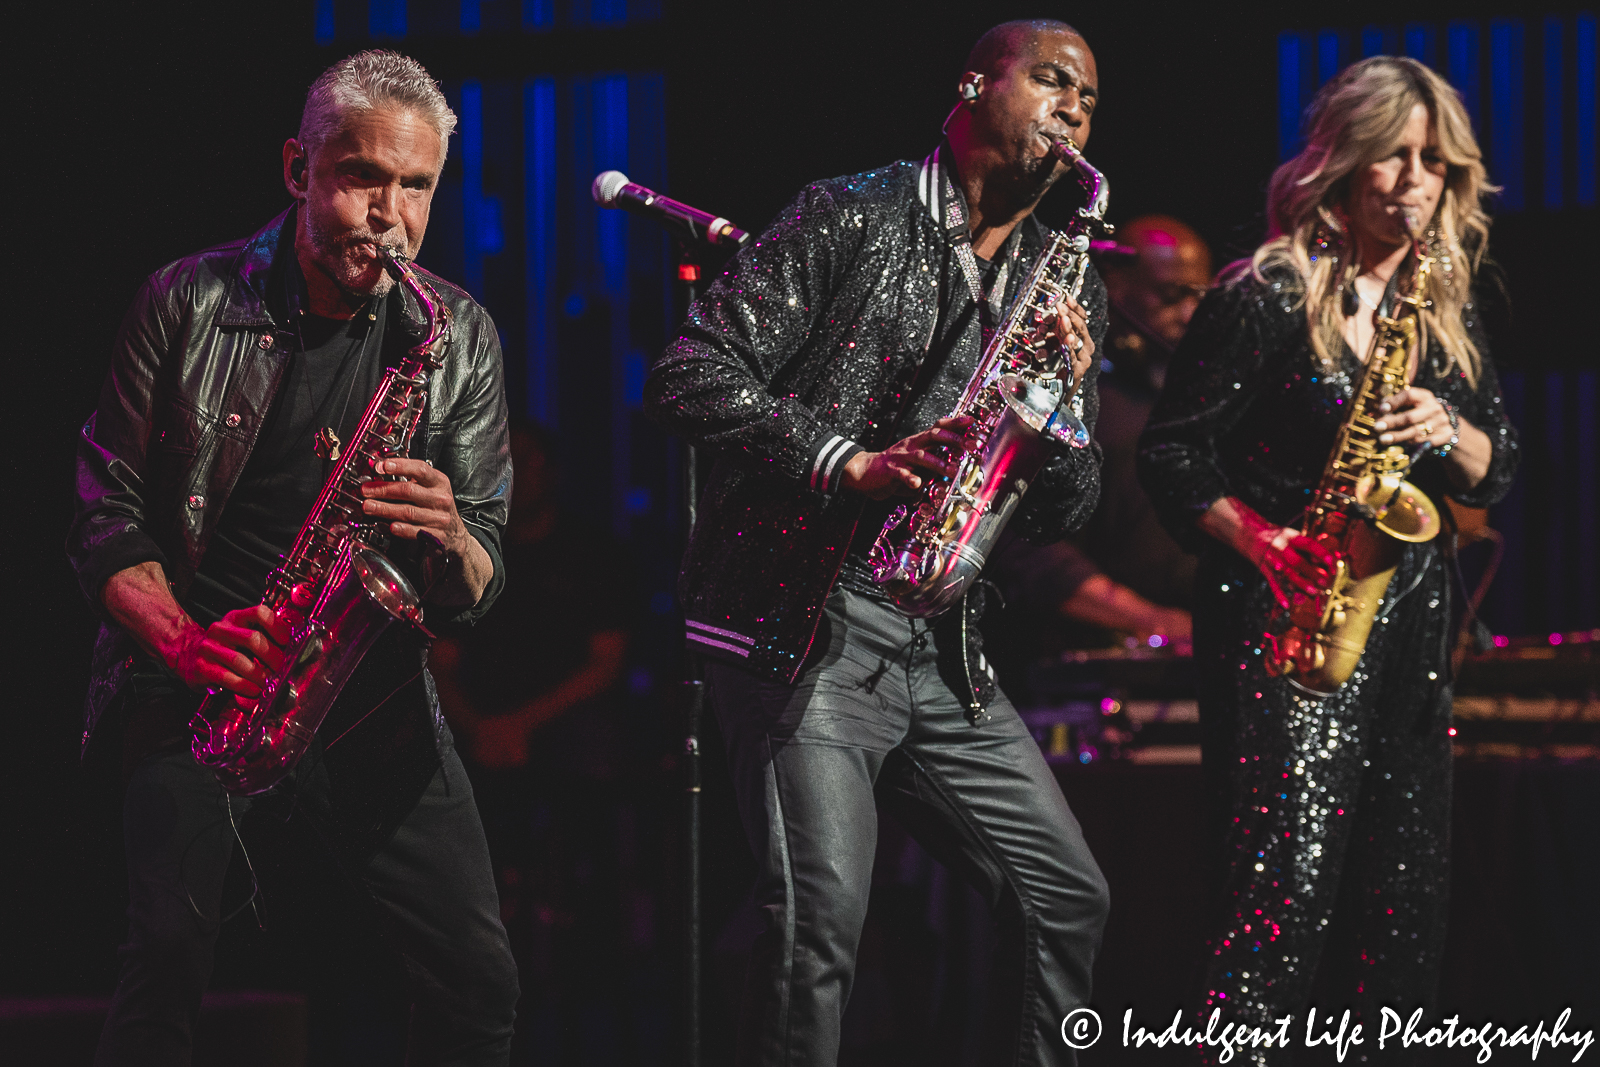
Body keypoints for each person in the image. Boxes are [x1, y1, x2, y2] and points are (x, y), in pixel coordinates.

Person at [646, 19, 1111, 1066]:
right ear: (973, 84)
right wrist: (845, 459)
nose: (1073, 108)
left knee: (1066, 896)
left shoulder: (1064, 268)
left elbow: (1069, 505)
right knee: (815, 929)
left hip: (939, 640)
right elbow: (688, 372)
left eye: (1088, 97)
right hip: (800, 617)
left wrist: (1071, 399)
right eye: (1051, 81)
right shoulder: (846, 212)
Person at [67, 51, 519, 1065]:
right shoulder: (184, 301)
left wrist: (450, 537)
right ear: (296, 167)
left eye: (416, 187)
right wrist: (186, 643)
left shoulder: (459, 335)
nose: (387, 213)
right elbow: (104, 515)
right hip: (206, 678)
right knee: (166, 964)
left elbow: (482, 579)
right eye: (363, 176)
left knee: (479, 980)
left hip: (367, 693)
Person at [1136, 56, 1518, 1057]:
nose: (1411, 183)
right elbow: (1170, 452)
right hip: (1287, 629)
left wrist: (1448, 426)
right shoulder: (1266, 291)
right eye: (1390, 157)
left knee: (1400, 911)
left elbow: (1497, 464)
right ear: (1341, 164)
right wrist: (1265, 540)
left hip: (1408, 636)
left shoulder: (1443, 305)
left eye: (1432, 163)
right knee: (1275, 907)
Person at [988, 216, 1210, 670]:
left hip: (1189, 658)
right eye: (1171, 295)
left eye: (1198, 297)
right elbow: (1024, 548)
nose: (1189, 314)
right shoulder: (1081, 401)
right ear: (1115, 287)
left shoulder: (1189, 399)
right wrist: (1153, 620)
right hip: (1086, 665)